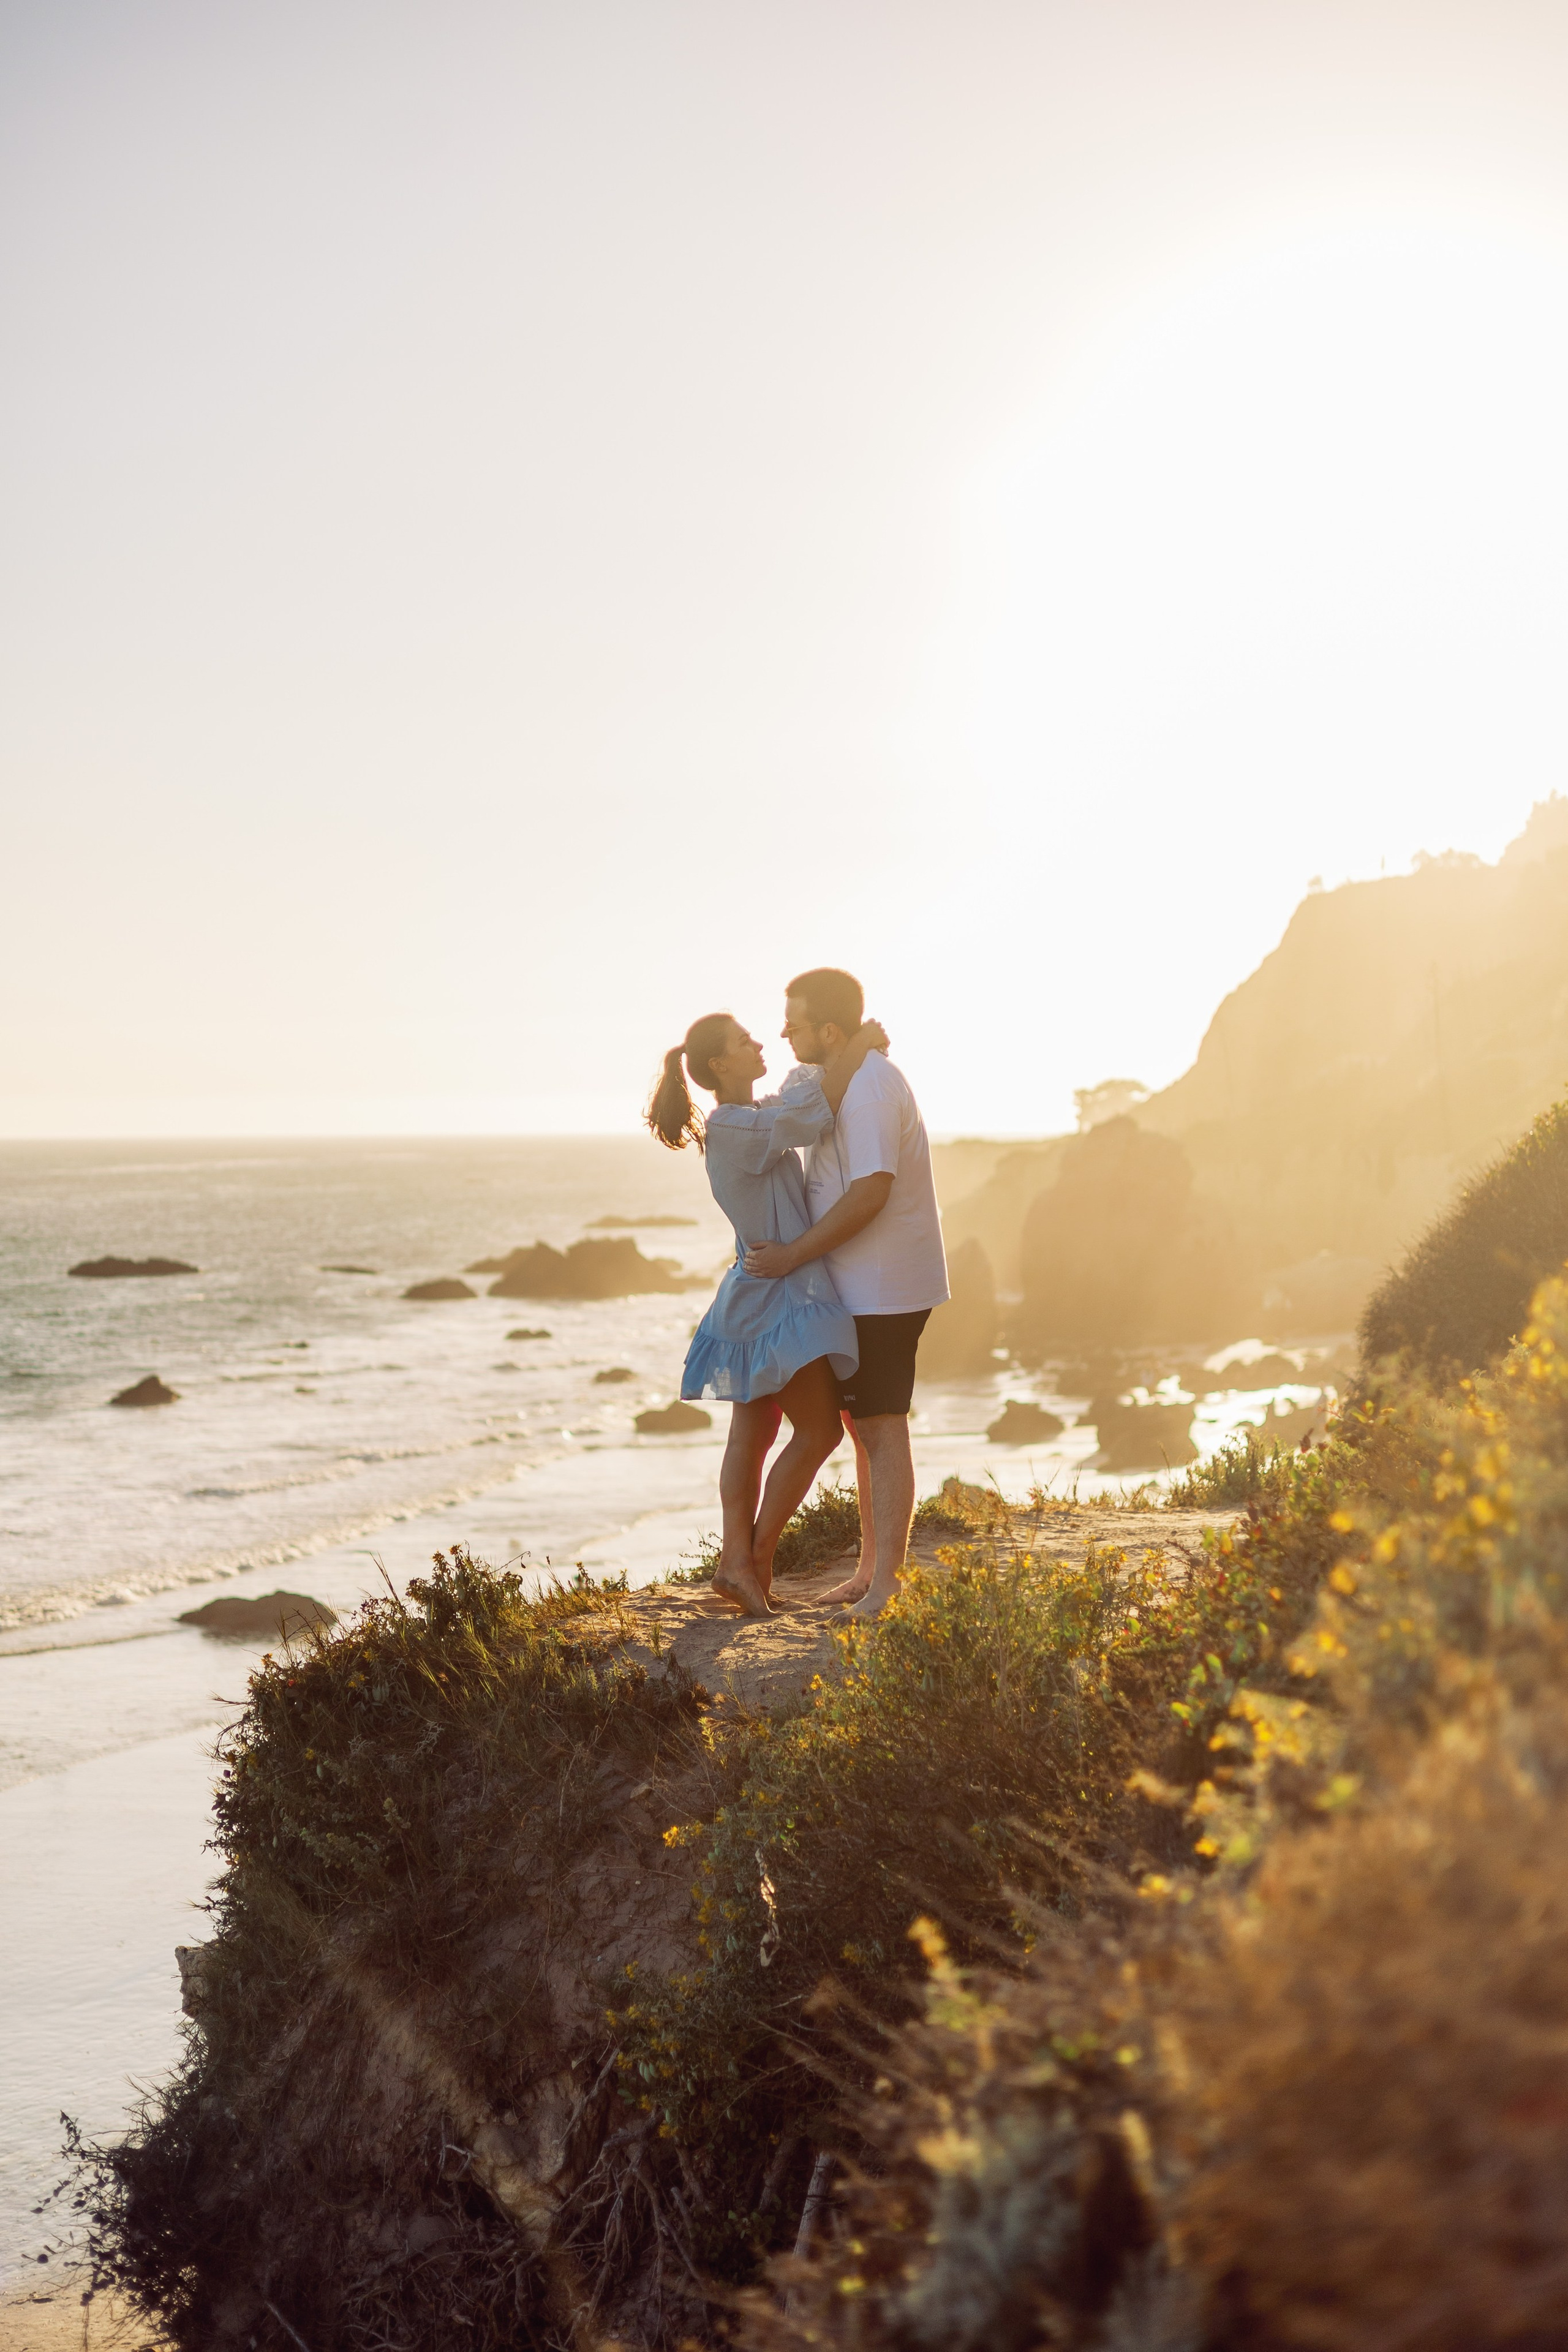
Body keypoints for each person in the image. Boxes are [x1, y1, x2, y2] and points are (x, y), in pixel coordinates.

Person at [647, 1010, 889, 1618]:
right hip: (776, 1298)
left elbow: (799, 1105)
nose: (759, 1043)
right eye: (744, 1040)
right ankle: (749, 1560)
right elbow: (812, 1113)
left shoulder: (750, 1118)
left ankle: (741, 1565)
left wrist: (837, 1058)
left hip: (758, 1297)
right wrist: (857, 1043)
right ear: (719, 1064)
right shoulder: (734, 1126)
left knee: (752, 1436)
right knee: (820, 1432)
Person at [743, 968, 948, 1616]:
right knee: (865, 1431)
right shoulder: (830, 1080)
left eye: (795, 1024)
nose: (784, 1033)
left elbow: (871, 1193)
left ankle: (887, 1585)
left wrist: (793, 1255)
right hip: (856, 1287)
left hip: (885, 1289)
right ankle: (868, 1573)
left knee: (882, 1429)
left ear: (829, 1031)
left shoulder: (871, 1090)